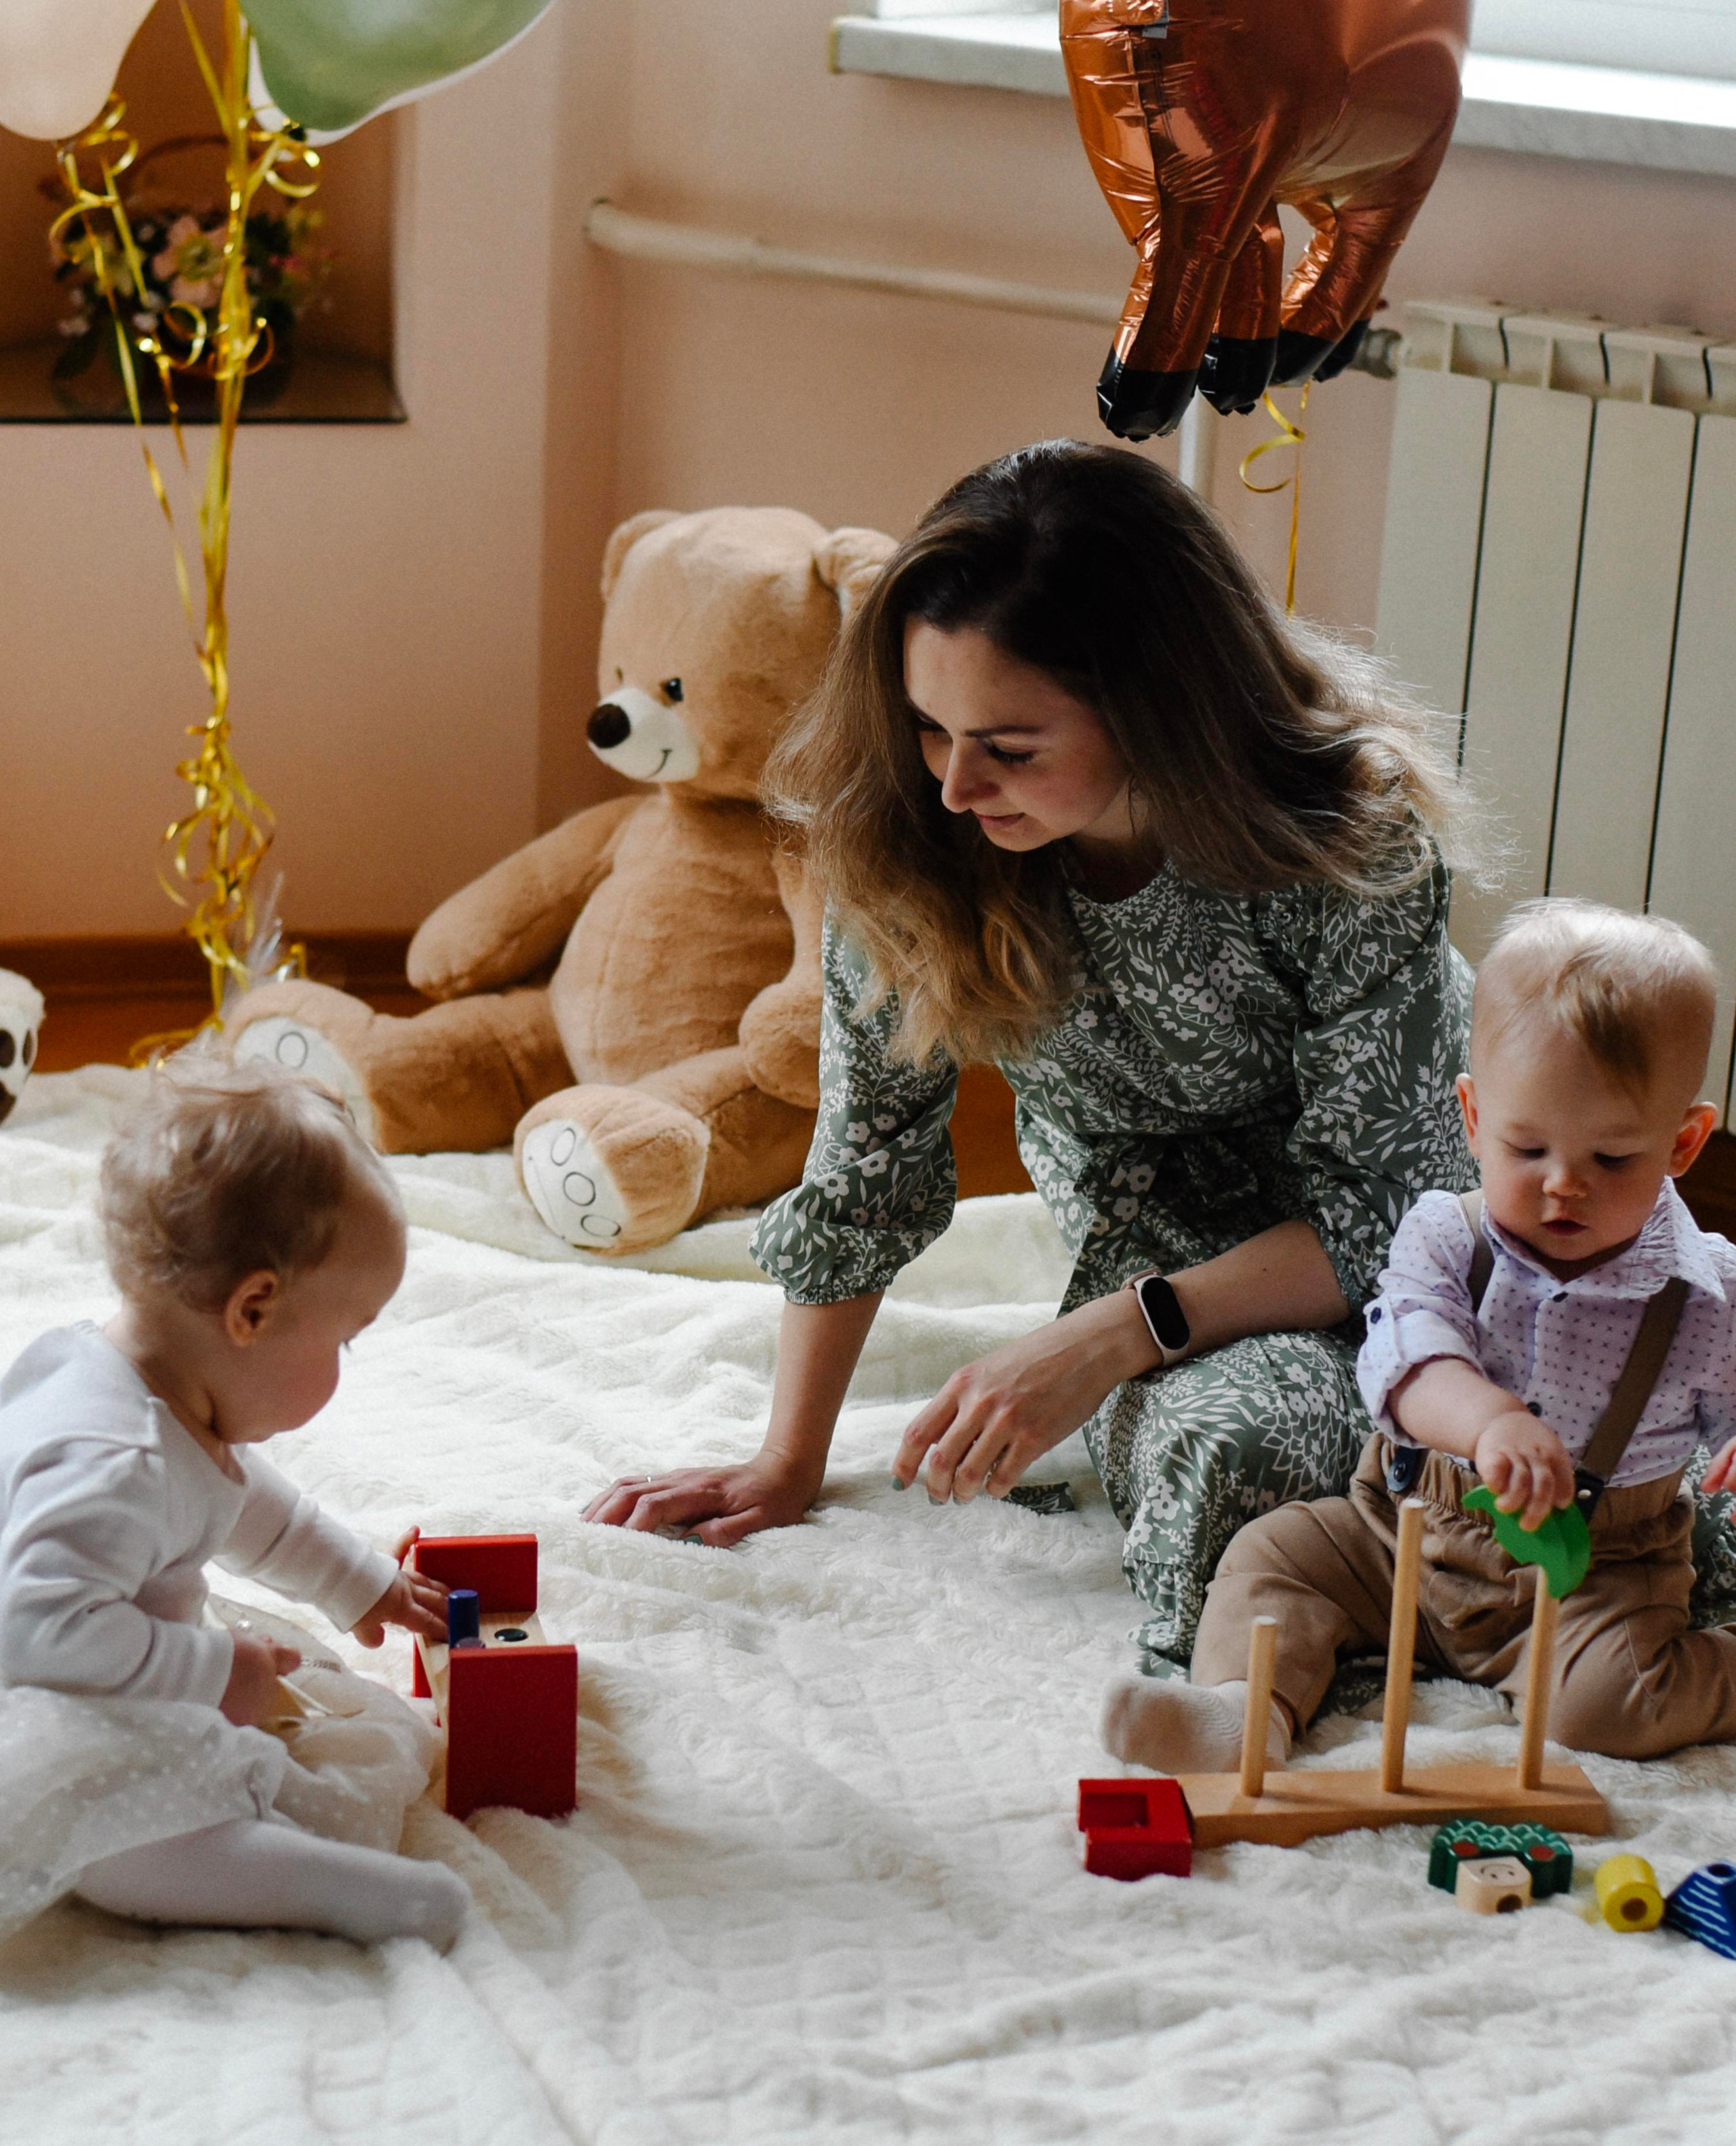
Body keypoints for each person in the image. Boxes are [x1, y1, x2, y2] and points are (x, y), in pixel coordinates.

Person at [586, 439, 1476, 1675]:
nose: (953, 785)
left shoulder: (1349, 840)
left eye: (1010, 744)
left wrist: (1115, 1334)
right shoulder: (907, 835)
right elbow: (867, 1171)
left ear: (1159, 703)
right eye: (927, 726)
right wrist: (786, 1458)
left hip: (1423, 1254)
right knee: (1244, 1456)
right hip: (1158, 1240)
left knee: (1542, 1450)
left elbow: (1391, 1212)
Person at [1107, 901, 1736, 1771]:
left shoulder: (1708, 1293)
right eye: (1527, 1148)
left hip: (1597, 1577)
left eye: (1612, 1159)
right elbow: (1405, 1362)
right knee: (1273, 1554)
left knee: (1606, 1706)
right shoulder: (1446, 1233)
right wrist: (1487, 1422)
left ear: (1684, 1142)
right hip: (1402, 1528)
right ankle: (1239, 1713)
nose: (1563, 1186)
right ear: (1474, 1119)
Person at [0, 1056, 467, 1949]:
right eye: (347, 1340)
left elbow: (242, 1502)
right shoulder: (112, 1460)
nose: (345, 1362)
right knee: (138, 1840)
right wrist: (211, 1671)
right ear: (252, 1309)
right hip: (35, 1704)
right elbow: (35, 1635)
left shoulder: (155, 1395)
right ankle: (331, 1893)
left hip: (102, 1656)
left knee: (308, 1702)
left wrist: (358, 1581)